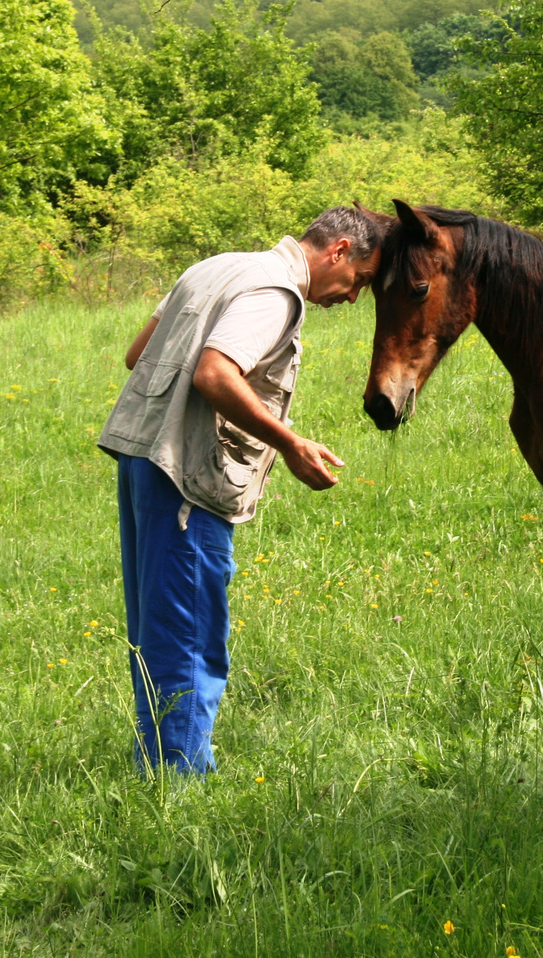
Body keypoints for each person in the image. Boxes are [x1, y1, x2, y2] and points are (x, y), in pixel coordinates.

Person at [96, 206, 384, 772]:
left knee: (156, 629)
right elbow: (214, 373)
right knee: (190, 634)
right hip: (187, 475)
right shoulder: (276, 292)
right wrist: (292, 443)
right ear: (340, 251)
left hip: (142, 459)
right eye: (360, 282)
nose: (352, 299)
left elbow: (137, 357)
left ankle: (157, 767)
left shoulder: (217, 266)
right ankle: (177, 785)